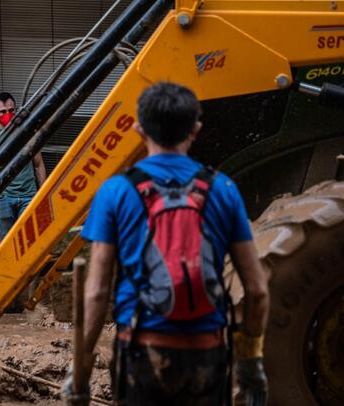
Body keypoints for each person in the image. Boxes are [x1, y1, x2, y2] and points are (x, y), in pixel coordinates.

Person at [64, 82, 269, 405]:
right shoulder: (224, 189)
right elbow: (257, 291)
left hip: (142, 350)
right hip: (207, 351)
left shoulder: (115, 191)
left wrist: (81, 371)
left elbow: (97, 292)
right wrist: (250, 363)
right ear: (196, 129)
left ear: (138, 128)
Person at [0, 92, 47, 239]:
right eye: (3, 111)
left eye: (11, 110)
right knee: (7, 243)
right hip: (3, 198)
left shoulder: (28, 132)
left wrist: (43, 192)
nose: (8, 114)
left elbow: (38, 164)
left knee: (29, 240)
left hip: (29, 196)